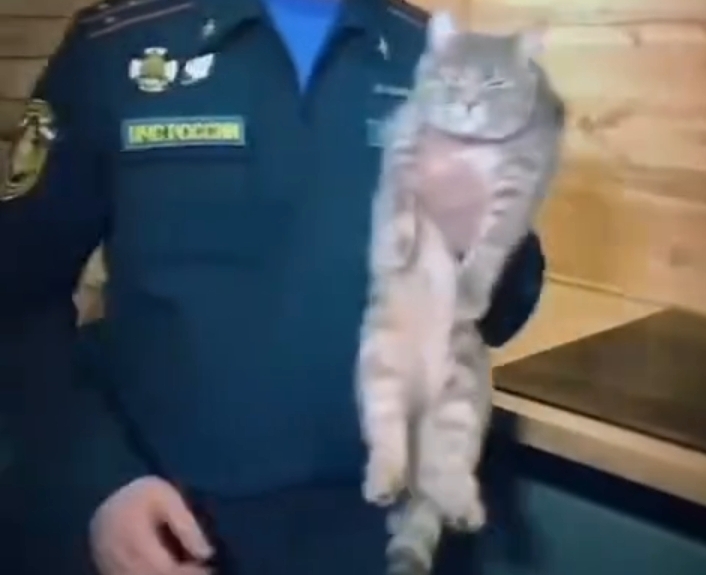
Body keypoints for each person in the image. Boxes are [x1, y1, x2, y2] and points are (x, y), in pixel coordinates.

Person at [3, 0, 546, 573]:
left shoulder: (438, 60)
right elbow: (17, 304)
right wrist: (100, 484)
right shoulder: (118, 50)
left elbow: (502, 311)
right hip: (175, 528)